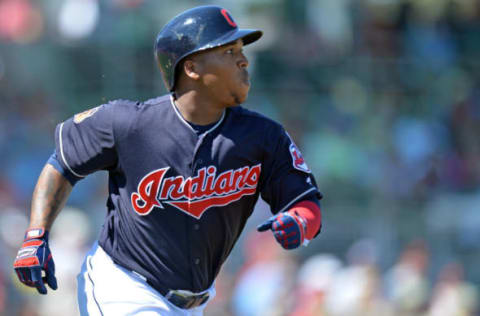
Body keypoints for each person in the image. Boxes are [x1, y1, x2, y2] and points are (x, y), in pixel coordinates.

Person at [13, 5, 323, 316]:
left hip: (195, 303)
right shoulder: (129, 124)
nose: (243, 60)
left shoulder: (263, 137)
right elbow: (63, 164)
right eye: (228, 51)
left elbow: (305, 201)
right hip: (122, 288)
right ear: (191, 68)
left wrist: (300, 222)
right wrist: (35, 235)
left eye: (240, 49)